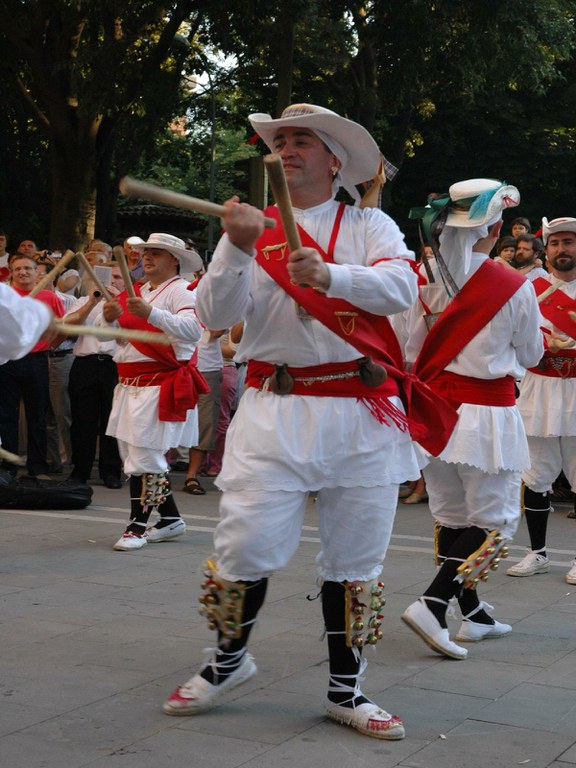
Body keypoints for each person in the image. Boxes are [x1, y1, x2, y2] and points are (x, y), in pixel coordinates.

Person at [161, 103, 435, 741]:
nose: (285, 149)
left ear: (335, 161)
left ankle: (347, 688)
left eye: (301, 140)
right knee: (244, 544)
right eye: (280, 140)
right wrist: (236, 247)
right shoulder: (250, 229)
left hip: (362, 411)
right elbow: (214, 315)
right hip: (273, 408)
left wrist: (331, 276)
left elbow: (401, 289)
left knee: (356, 557)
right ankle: (229, 660)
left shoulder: (369, 224)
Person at [400, 179, 543, 659]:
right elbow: (532, 353)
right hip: (486, 415)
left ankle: (474, 614)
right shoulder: (515, 286)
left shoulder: (422, 281)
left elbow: (409, 350)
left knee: (452, 515)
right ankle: (432, 604)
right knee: (494, 521)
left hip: (434, 413)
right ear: (497, 229)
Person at [101, 233, 206, 551]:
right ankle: (170, 519)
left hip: (160, 384)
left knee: (145, 457)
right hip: (129, 385)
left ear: (175, 259)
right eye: (145, 252)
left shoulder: (182, 290)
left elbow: (193, 330)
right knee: (134, 456)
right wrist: (110, 321)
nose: (146, 257)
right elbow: (110, 340)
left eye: (156, 253)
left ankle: (137, 525)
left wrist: (150, 314)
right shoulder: (138, 291)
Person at [506, 217, 576, 583]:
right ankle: (538, 553)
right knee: (535, 476)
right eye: (555, 243)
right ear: (545, 250)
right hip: (539, 387)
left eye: (568, 242)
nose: (562, 249)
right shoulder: (528, 289)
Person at [0, 255, 65, 476]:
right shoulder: (6, 297)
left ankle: (37, 466)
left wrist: (49, 346)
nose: (23, 272)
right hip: (8, 362)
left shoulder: (49, 297)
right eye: (17, 269)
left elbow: (61, 328)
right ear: (11, 273)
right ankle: (9, 467)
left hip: (36, 360)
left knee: (37, 415)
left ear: (37, 272)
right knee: (7, 414)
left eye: (27, 268)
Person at [65, 266, 124, 487]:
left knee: (112, 420)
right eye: (109, 277)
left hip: (115, 365)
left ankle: (111, 472)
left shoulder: (129, 303)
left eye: (117, 277)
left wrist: (118, 301)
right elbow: (67, 327)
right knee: (82, 420)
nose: (112, 281)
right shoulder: (83, 301)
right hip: (86, 363)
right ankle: (80, 470)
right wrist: (92, 301)